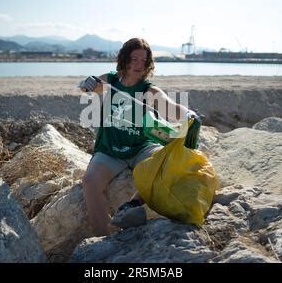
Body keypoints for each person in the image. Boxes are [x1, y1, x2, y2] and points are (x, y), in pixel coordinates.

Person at [78, 38, 199, 236]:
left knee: (165, 162)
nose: (138, 64)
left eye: (143, 60)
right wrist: (86, 83)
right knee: (90, 182)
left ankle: (132, 205)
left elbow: (170, 107)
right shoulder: (111, 81)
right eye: (134, 59)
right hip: (110, 150)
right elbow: (89, 88)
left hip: (142, 147)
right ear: (124, 59)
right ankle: (104, 237)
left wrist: (188, 114)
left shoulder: (149, 90)